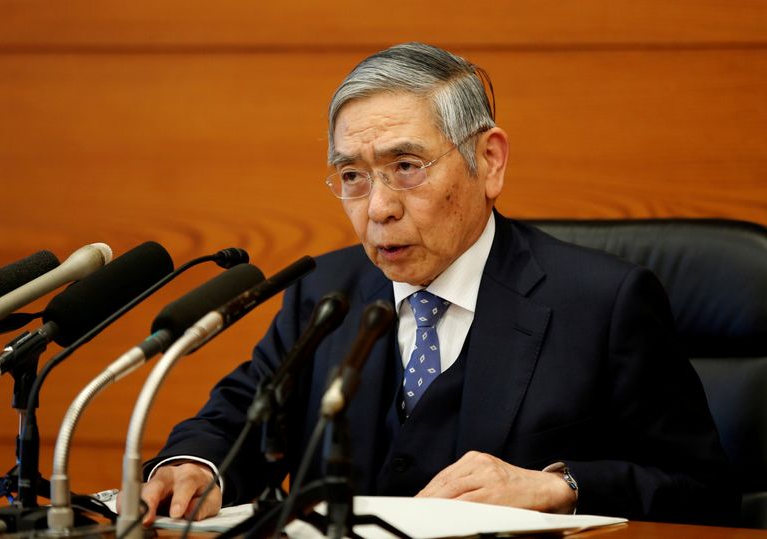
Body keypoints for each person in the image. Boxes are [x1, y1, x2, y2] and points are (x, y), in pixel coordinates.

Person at [134, 42, 739, 526]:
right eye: (353, 176)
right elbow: (237, 419)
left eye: (406, 167)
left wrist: (561, 486)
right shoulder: (325, 292)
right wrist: (195, 465)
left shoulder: (604, 303)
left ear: (490, 161)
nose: (379, 208)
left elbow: (704, 495)